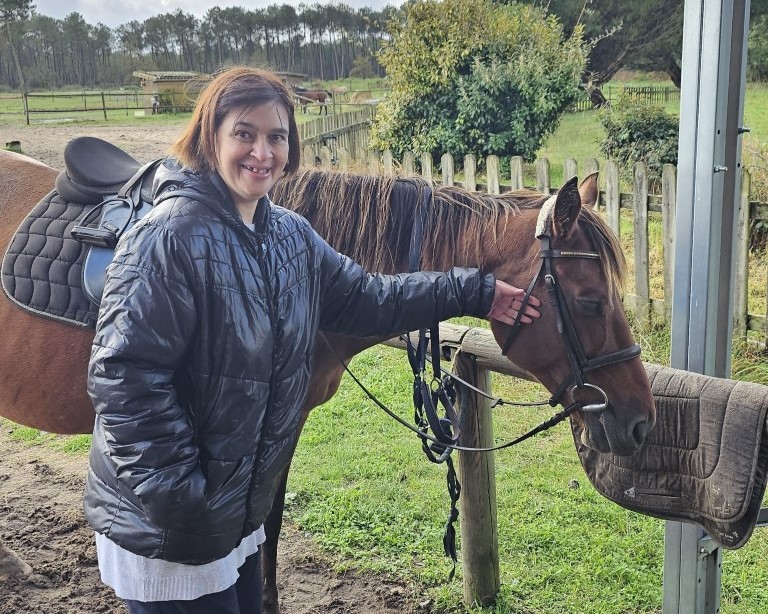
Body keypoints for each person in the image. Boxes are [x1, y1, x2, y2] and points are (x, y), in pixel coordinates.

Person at [83, 66, 541, 614]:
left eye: (276, 136)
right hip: (173, 534)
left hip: (234, 518)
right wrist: (182, 499)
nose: (262, 152)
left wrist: (475, 289)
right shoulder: (168, 236)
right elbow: (124, 376)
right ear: (211, 137)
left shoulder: (287, 234)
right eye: (244, 133)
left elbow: (371, 298)